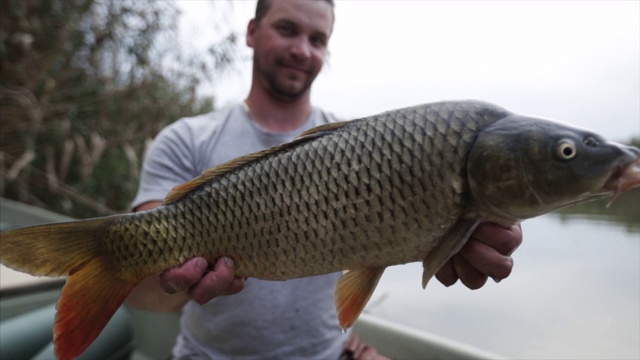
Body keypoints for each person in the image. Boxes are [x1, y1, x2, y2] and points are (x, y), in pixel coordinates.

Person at [126, 0, 523, 359]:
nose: (302, 49)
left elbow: (371, 266)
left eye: (317, 39)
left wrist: (461, 227)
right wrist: (162, 270)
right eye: (287, 30)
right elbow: (144, 291)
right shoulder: (186, 140)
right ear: (251, 32)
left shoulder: (361, 148)